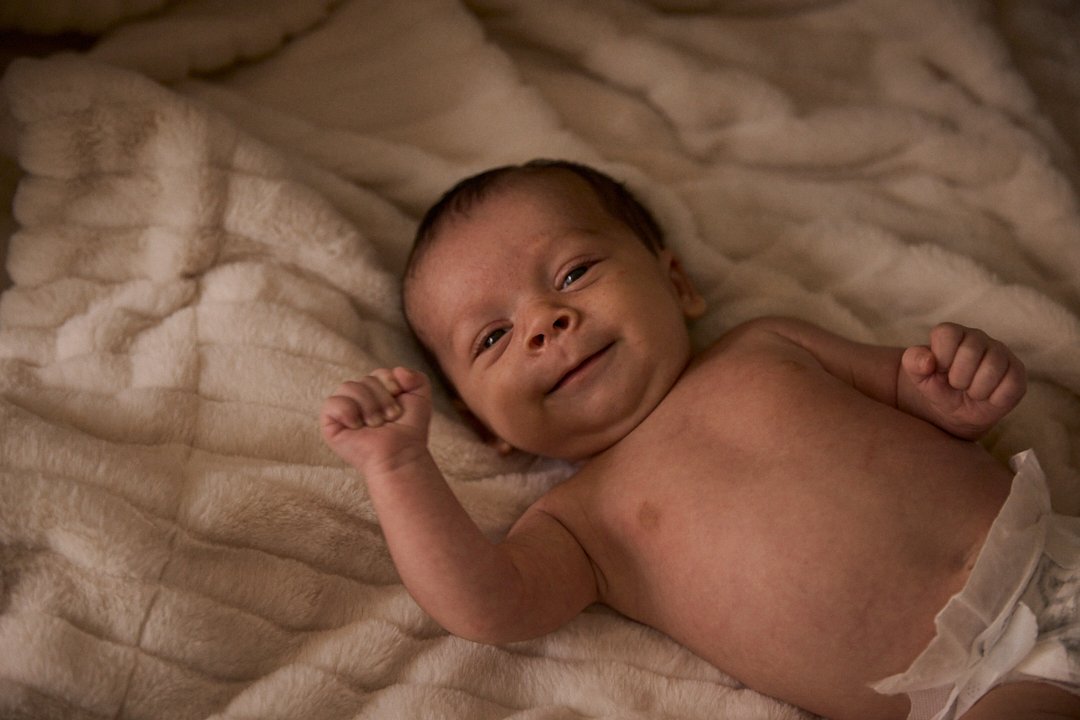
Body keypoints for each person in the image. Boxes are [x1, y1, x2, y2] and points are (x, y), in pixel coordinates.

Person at [320, 160, 1080, 720]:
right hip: (986, 686)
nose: (545, 322)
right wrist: (398, 466)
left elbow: (929, 394)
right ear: (486, 427)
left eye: (575, 272)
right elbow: (486, 606)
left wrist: (964, 385)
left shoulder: (770, 343)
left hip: (1059, 553)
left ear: (676, 282)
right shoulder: (579, 523)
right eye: (492, 337)